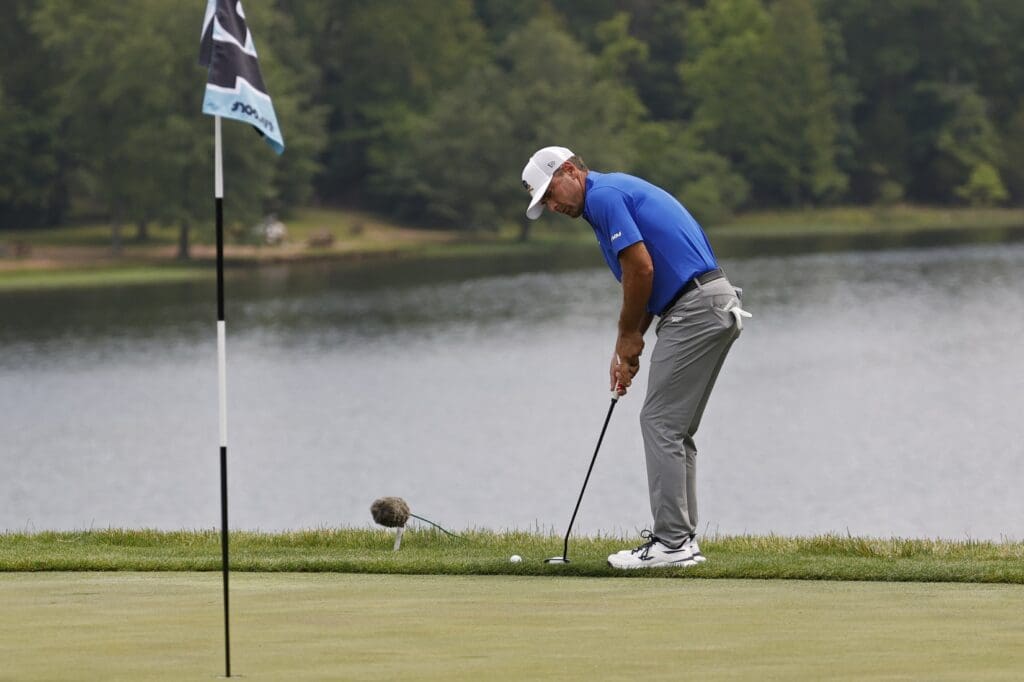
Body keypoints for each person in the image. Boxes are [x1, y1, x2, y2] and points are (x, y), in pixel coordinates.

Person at [521, 146, 750, 569]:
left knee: (659, 422)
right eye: (544, 203)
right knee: (674, 428)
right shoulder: (608, 196)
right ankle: (681, 543)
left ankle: (672, 543)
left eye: (551, 193)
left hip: (695, 309)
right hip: (710, 303)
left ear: (570, 171)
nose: (552, 206)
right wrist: (628, 349)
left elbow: (640, 270)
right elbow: (645, 277)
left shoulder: (603, 197)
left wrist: (627, 336)